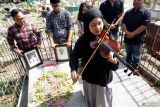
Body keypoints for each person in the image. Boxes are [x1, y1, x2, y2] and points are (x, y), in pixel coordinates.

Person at [69, 8, 119, 107]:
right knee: (91, 103)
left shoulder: (108, 37)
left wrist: (113, 61)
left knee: (105, 103)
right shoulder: (83, 40)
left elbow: (115, 66)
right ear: (87, 25)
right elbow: (74, 55)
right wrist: (73, 69)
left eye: (100, 23)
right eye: (93, 25)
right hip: (89, 78)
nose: (98, 28)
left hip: (104, 79)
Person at [121, 0, 151, 71]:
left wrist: (133, 34)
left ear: (143, 1)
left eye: (138, 0)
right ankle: (128, 65)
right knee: (128, 53)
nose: (136, 1)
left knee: (136, 55)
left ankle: (135, 68)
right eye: (134, 0)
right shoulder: (128, 12)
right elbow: (123, 23)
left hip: (137, 39)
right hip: (127, 37)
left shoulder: (146, 12)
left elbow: (144, 25)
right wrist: (127, 32)